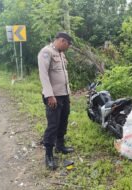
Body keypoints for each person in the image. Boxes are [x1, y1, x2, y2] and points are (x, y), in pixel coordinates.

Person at [38, 32, 74, 170]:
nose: (68, 48)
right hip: (53, 96)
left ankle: (60, 146)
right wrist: (49, 95)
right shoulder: (46, 52)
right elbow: (44, 75)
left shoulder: (60, 53)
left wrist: (68, 93)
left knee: (63, 121)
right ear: (62, 41)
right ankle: (49, 155)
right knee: (53, 124)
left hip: (64, 94)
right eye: (68, 45)